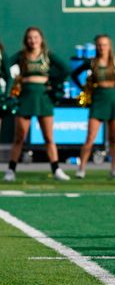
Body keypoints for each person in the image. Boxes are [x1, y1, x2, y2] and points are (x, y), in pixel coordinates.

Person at [2, 27, 71, 182]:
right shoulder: (21, 55)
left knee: (48, 137)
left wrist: (53, 82)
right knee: (19, 137)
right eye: (30, 38)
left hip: (43, 97)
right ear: (26, 40)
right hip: (26, 97)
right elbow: (5, 66)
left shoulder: (48, 55)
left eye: (36, 37)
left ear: (41, 38)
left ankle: (56, 169)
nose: (33, 40)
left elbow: (65, 69)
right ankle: (11, 170)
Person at [71, 34, 115, 179]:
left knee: (113, 138)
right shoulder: (92, 62)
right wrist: (83, 87)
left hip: (114, 98)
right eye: (99, 45)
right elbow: (74, 74)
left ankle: (114, 168)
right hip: (98, 99)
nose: (102, 48)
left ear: (109, 46)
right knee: (90, 136)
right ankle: (81, 168)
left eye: (104, 45)